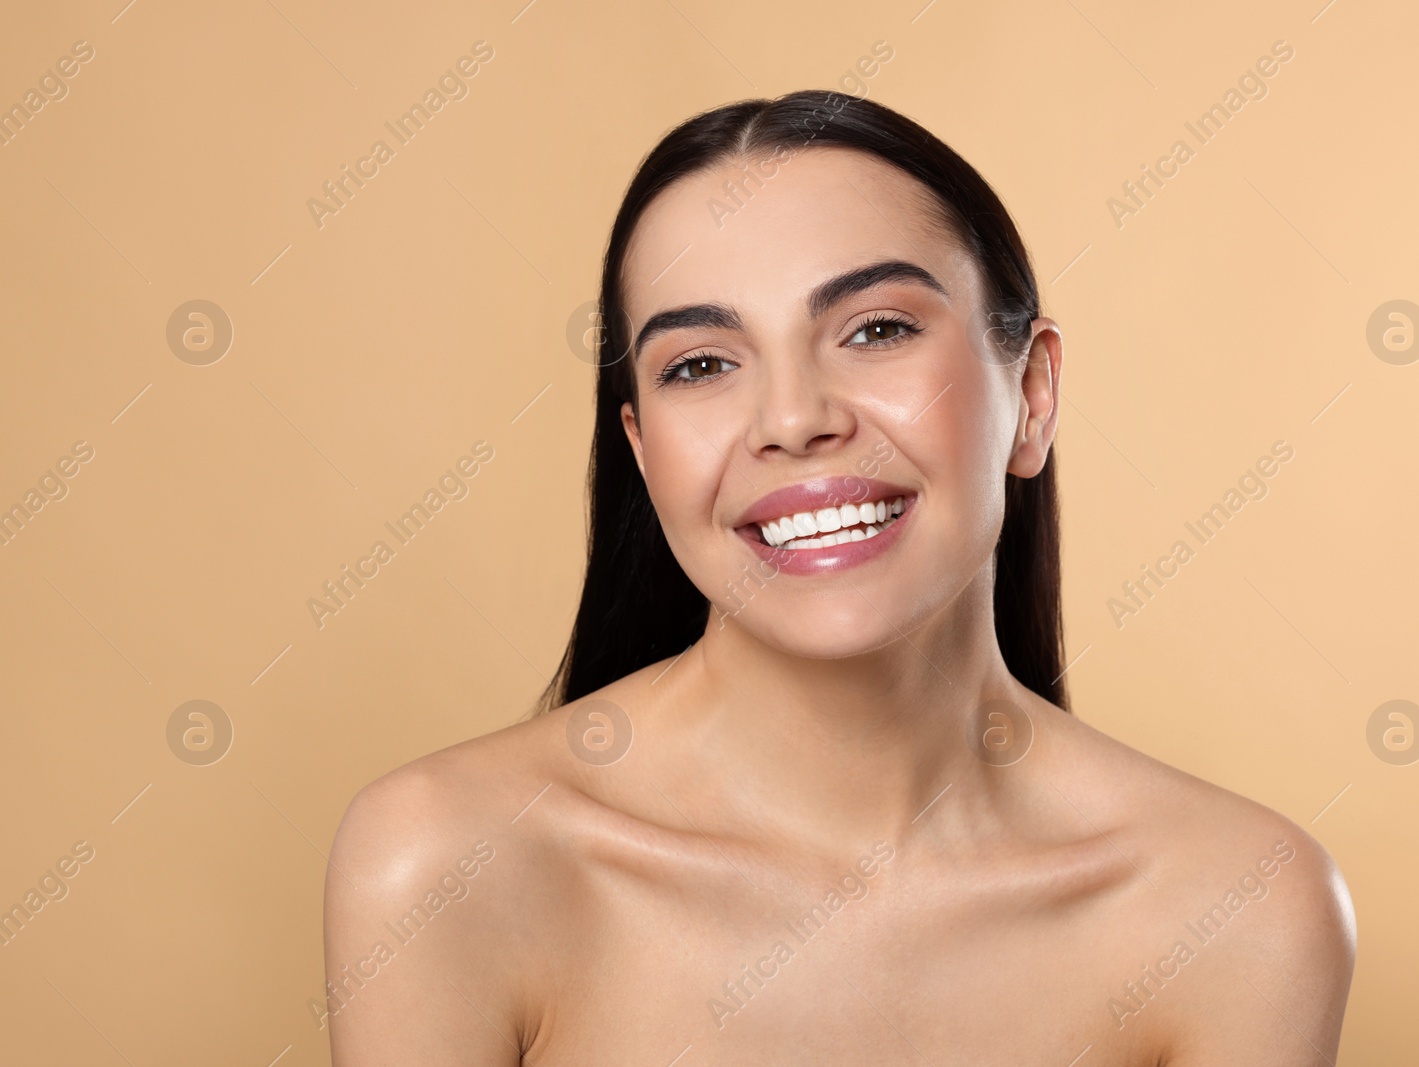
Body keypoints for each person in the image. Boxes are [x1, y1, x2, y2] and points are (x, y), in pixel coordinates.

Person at [324, 89, 1356, 1064]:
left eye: (876, 329)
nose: (793, 419)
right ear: (643, 453)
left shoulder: (1237, 904)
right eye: (700, 363)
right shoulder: (447, 862)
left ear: (1031, 394)